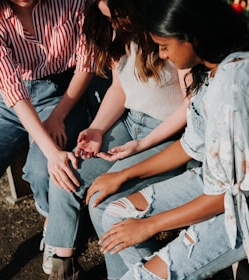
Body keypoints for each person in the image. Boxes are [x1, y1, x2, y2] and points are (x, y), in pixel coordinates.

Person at [93, 0, 249, 279]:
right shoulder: (213, 72)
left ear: (192, 38)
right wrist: (124, 175)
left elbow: (224, 198)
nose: (162, 55)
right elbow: (189, 145)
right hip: (213, 182)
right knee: (115, 213)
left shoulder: (232, 89)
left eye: (164, 46)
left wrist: (150, 225)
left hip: (237, 211)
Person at [44, 0, 191, 279]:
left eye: (119, 16)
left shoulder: (165, 31)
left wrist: (142, 145)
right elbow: (119, 88)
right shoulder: (116, 31)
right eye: (109, 19)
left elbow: (189, 107)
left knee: (105, 200)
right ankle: (63, 269)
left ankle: (138, 273)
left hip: (166, 134)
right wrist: (97, 129)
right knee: (65, 173)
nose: (115, 24)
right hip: (129, 122)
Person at [0, 0, 95, 275]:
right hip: (9, 99)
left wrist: (57, 117)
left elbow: (87, 62)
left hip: (61, 94)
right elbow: (11, 90)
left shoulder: (73, 2)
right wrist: (47, 145)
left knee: (42, 169)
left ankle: (53, 223)